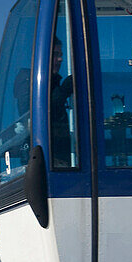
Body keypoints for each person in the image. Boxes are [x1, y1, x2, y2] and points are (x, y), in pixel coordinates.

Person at [50, 37, 75, 167]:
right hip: (52, 161)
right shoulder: (29, 83)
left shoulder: (55, 84)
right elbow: (39, 113)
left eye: (61, 55)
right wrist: (65, 90)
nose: (60, 59)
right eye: (55, 54)